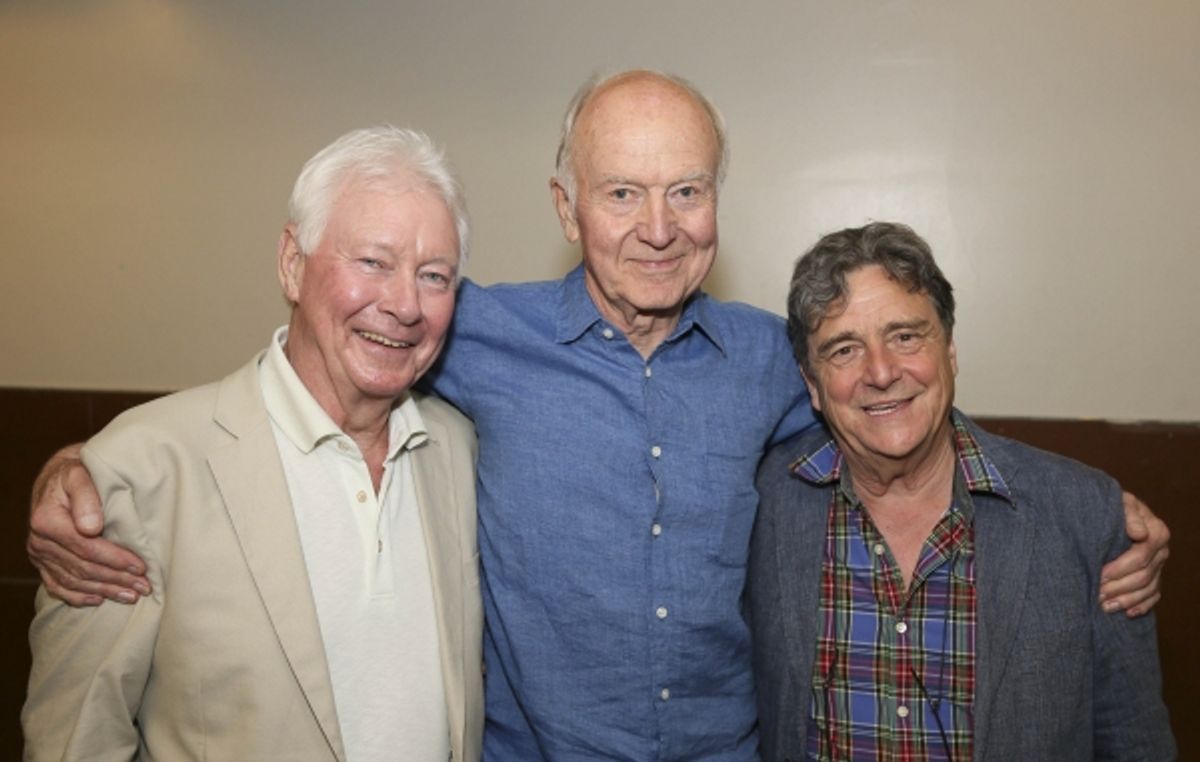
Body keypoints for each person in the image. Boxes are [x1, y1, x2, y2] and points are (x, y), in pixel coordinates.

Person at [27, 72, 1169, 761]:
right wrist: (88, 465)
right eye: (623, 192)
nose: (658, 227)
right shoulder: (468, 328)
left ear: (718, 202)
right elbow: (324, 358)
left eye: (686, 191)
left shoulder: (771, 358)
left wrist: (1085, 511)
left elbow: (892, 404)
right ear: (567, 207)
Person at [22, 127, 484, 761]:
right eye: (373, 263)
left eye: (434, 276)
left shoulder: (459, 451)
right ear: (292, 264)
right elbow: (74, 741)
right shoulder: (142, 472)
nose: (405, 305)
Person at [749, 221, 1175, 760]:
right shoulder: (760, 504)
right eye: (844, 350)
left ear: (950, 351)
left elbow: (1134, 741)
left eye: (905, 337)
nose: (881, 372)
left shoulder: (1085, 515)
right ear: (812, 384)